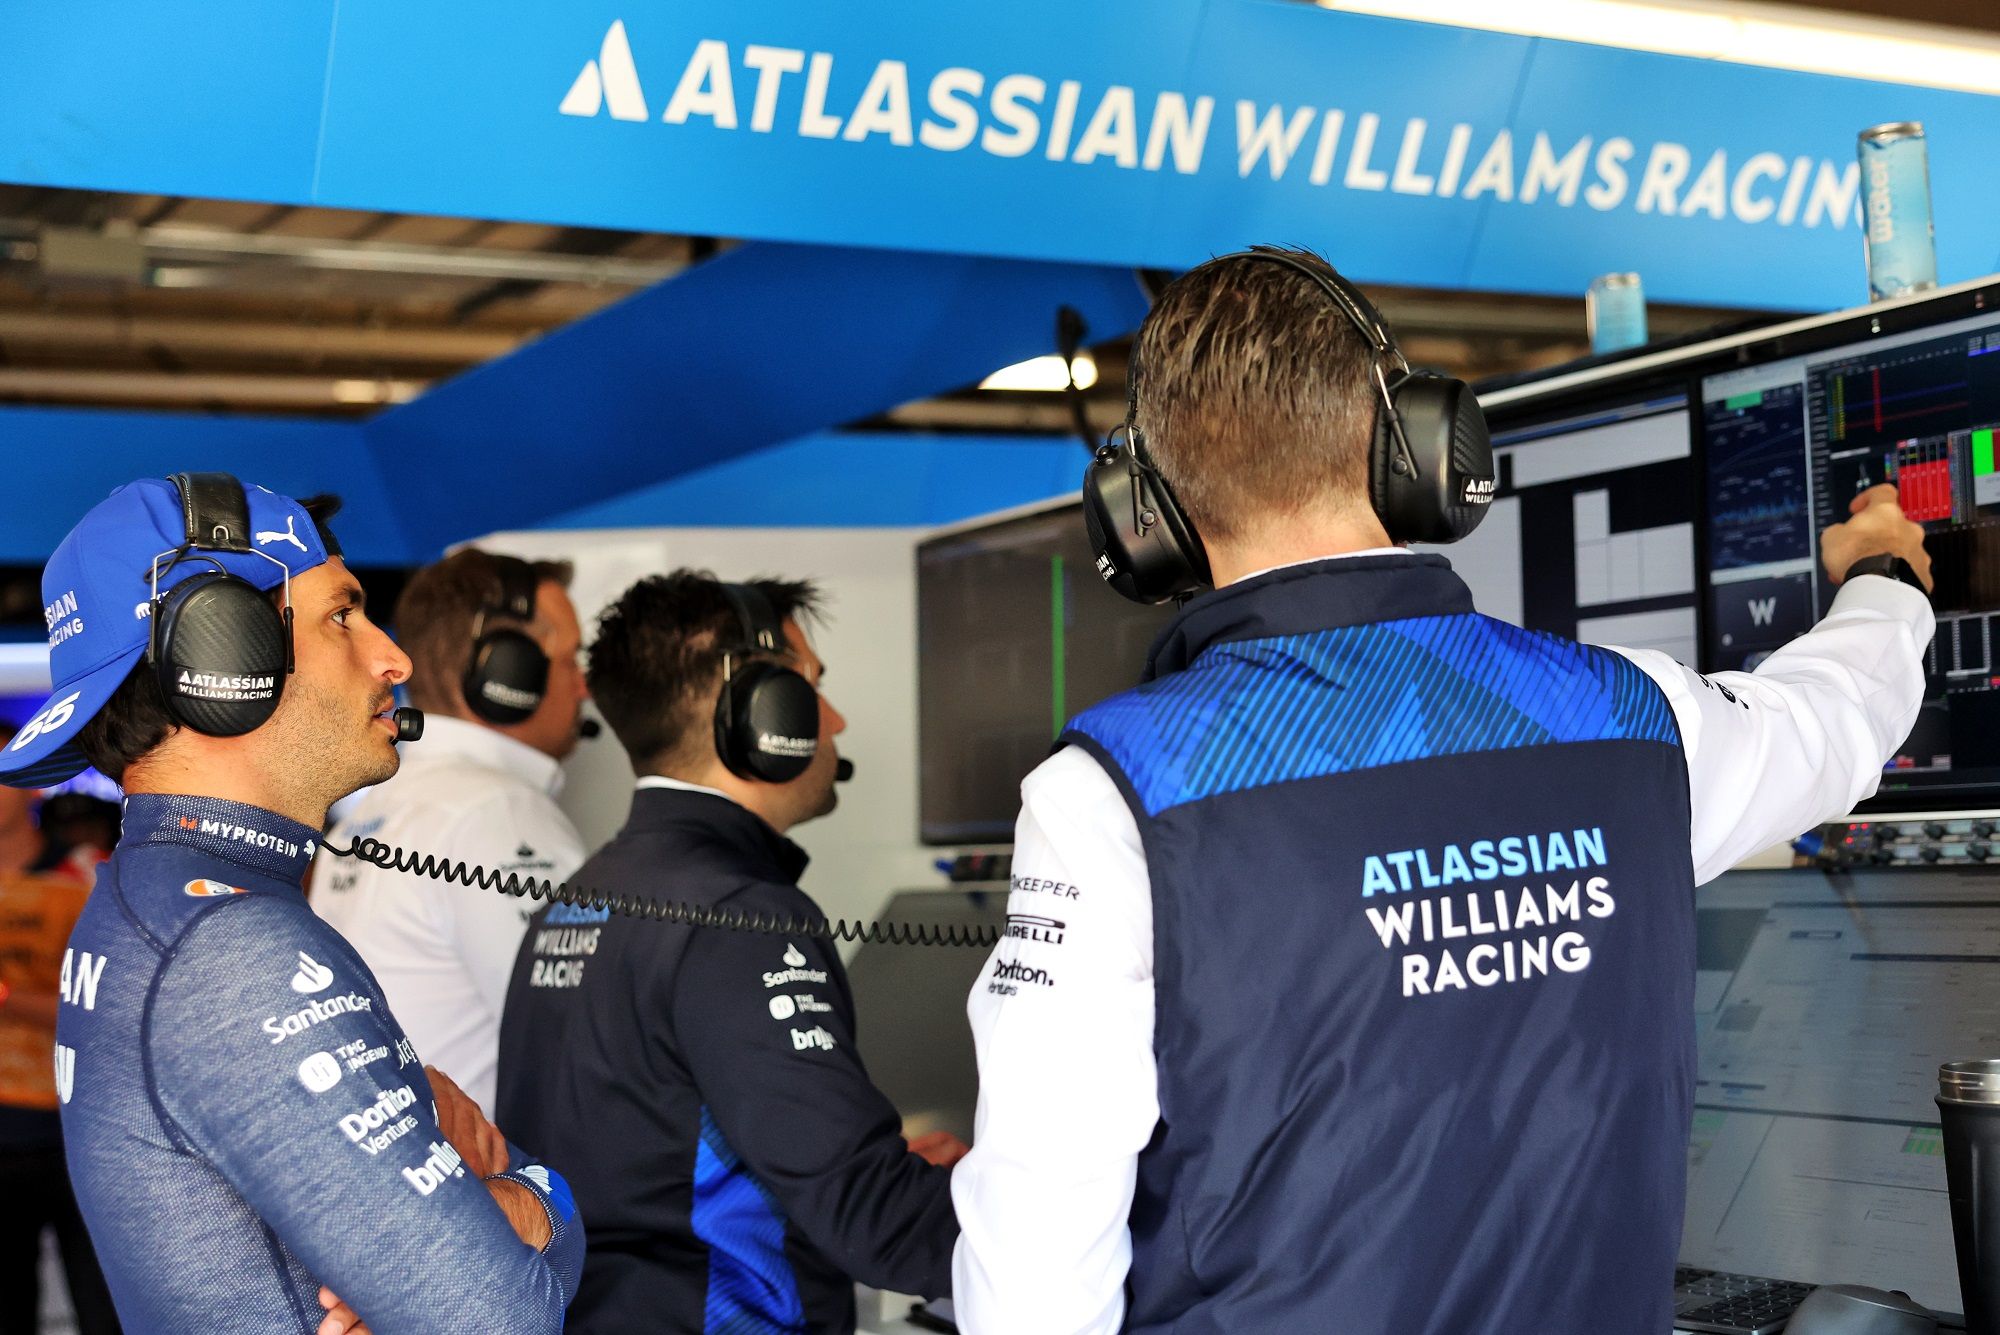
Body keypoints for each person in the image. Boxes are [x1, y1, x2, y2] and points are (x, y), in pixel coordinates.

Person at [949, 249, 1936, 1335]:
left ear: (1143, 513)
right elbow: (1839, 720)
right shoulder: (1631, 724)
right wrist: (1882, 581)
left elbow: (1032, 1283)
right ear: (1416, 447)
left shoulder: (1111, 801)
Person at [1, 473, 584, 1333]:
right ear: (219, 657)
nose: (395, 659)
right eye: (342, 617)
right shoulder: (229, 946)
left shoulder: (160, 897)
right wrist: (539, 1200)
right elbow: (499, 1311)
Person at [497, 571, 961, 1334]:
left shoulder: (580, 896)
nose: (835, 719)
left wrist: (855, 1155)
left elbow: (651, 1151)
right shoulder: (742, 917)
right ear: (759, 713)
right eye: (813, 688)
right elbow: (875, 1218)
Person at [313, 549, 589, 1114]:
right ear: (506, 674)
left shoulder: (374, 808)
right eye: (571, 659)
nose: (584, 687)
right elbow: (588, 1045)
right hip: (504, 1185)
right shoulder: (496, 810)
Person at [0, 736, 119, 1335]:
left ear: (32, 783)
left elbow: (107, 1010)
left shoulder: (86, 880)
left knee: (105, 1308)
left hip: (76, 1127)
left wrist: (9, 999)